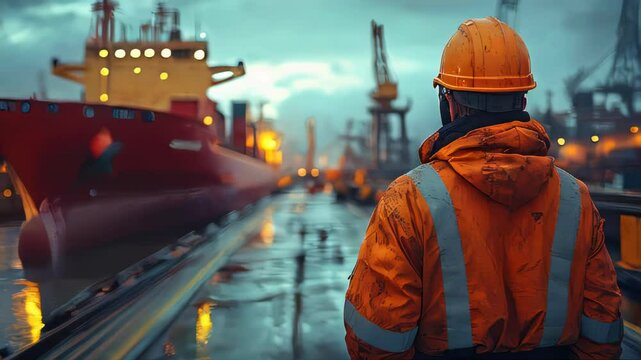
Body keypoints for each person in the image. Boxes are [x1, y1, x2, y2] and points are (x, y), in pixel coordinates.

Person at [344, 16, 622, 359]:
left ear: (448, 105)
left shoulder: (408, 200)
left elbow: (376, 342)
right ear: (522, 102)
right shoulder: (575, 198)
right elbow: (603, 328)